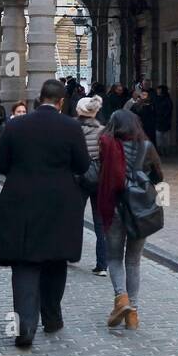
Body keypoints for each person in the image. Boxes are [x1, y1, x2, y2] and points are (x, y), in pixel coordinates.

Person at [0, 79, 92, 348]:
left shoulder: (16, 125)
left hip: (20, 199)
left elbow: (0, 163)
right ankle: (53, 318)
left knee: (24, 263)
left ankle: (24, 327)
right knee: (55, 260)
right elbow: (82, 164)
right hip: (60, 202)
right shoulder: (71, 127)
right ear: (61, 102)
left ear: (39, 98)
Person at [97, 110, 164, 329]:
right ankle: (132, 313)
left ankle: (121, 298)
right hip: (140, 209)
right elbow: (158, 177)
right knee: (134, 260)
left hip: (115, 206)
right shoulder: (146, 146)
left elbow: (99, 173)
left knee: (114, 257)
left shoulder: (106, 143)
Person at [75, 96, 108, 276]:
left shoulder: (73, 129)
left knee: (73, 217)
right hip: (98, 178)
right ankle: (102, 264)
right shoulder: (103, 130)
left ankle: (71, 254)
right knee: (100, 222)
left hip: (79, 178)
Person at [153, 85, 174, 151]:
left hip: (164, 121)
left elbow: (168, 110)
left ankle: (164, 150)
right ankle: (161, 150)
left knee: (165, 137)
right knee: (159, 137)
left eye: (159, 90)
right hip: (158, 121)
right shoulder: (156, 99)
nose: (157, 91)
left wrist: (163, 116)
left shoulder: (167, 100)